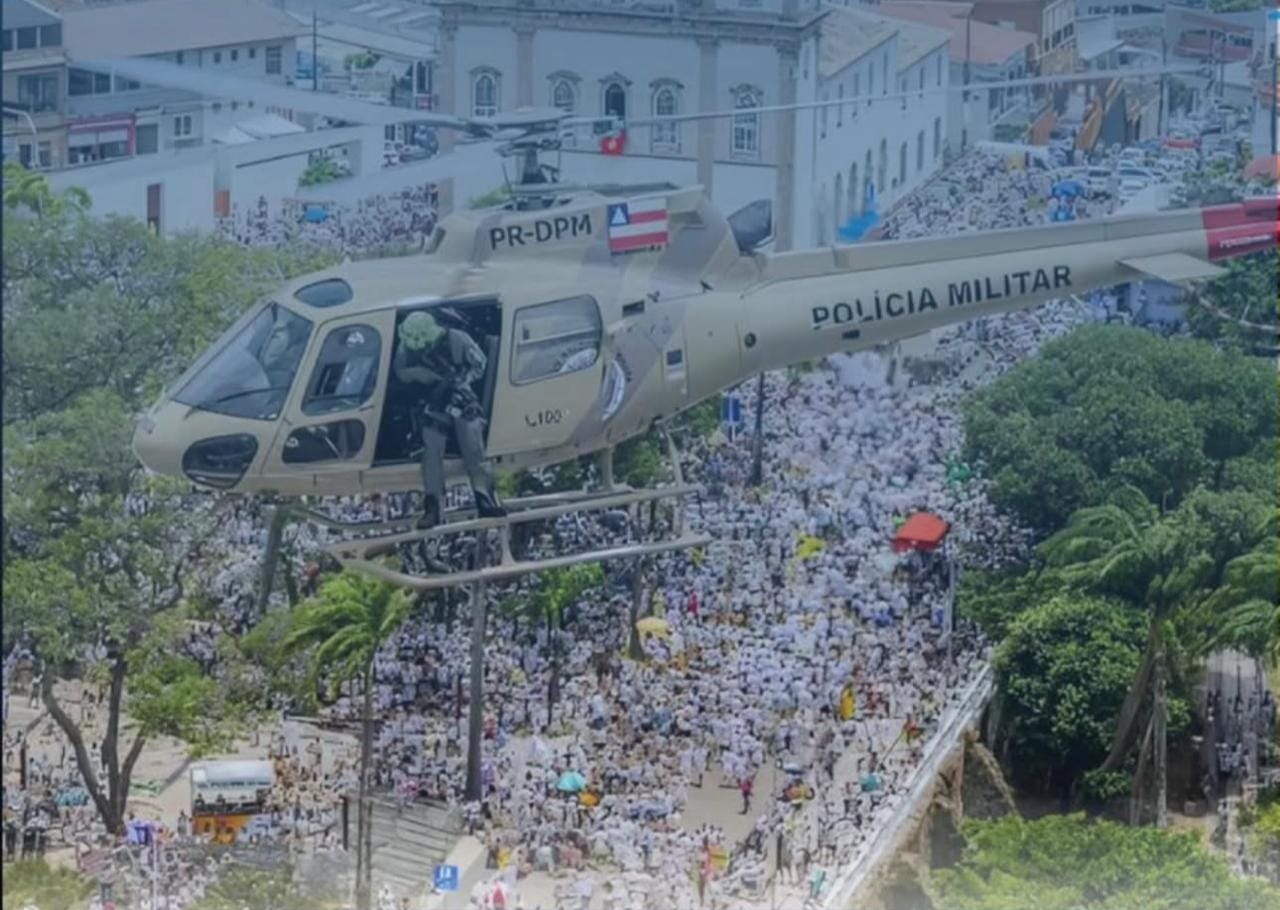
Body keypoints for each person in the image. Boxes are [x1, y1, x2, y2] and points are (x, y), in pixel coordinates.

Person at [392, 311, 505, 528]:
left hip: (461, 399)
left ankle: (485, 499)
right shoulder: (406, 346)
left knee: (474, 448)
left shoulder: (458, 338)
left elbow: (479, 364)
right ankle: (432, 506)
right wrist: (419, 374)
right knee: (431, 451)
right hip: (432, 401)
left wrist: (461, 380)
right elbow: (400, 371)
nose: (419, 345)